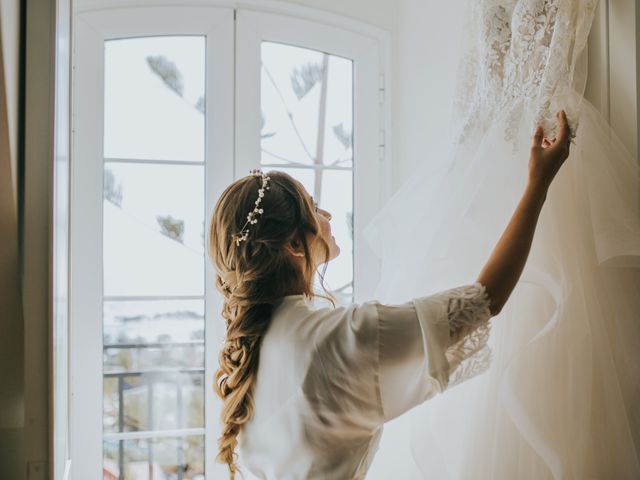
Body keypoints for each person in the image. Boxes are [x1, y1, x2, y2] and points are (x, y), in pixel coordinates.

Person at [208, 110, 572, 480]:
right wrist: (537, 184)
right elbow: (485, 300)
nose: (328, 213)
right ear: (293, 246)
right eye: (315, 209)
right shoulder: (345, 335)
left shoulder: (248, 360)